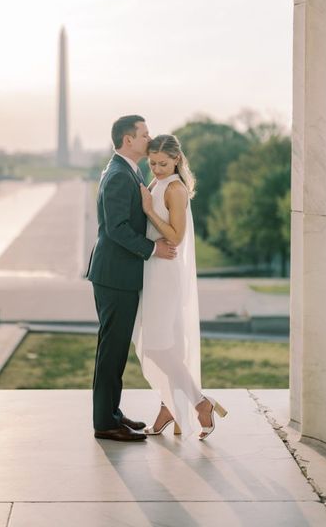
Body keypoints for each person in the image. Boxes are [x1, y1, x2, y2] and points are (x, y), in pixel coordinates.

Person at [86, 115, 177, 442]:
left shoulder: (128, 170)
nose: (149, 139)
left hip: (119, 274)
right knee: (112, 349)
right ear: (128, 140)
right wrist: (152, 248)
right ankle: (105, 423)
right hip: (114, 276)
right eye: (144, 134)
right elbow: (117, 228)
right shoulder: (118, 176)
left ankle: (112, 414)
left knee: (116, 348)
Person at [132, 134, 228, 440]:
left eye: (163, 163)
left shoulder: (175, 189)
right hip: (153, 270)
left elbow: (175, 237)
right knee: (167, 344)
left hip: (165, 273)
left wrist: (148, 210)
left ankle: (200, 403)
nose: (157, 168)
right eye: (152, 163)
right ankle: (169, 406)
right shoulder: (157, 184)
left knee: (156, 345)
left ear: (176, 159)